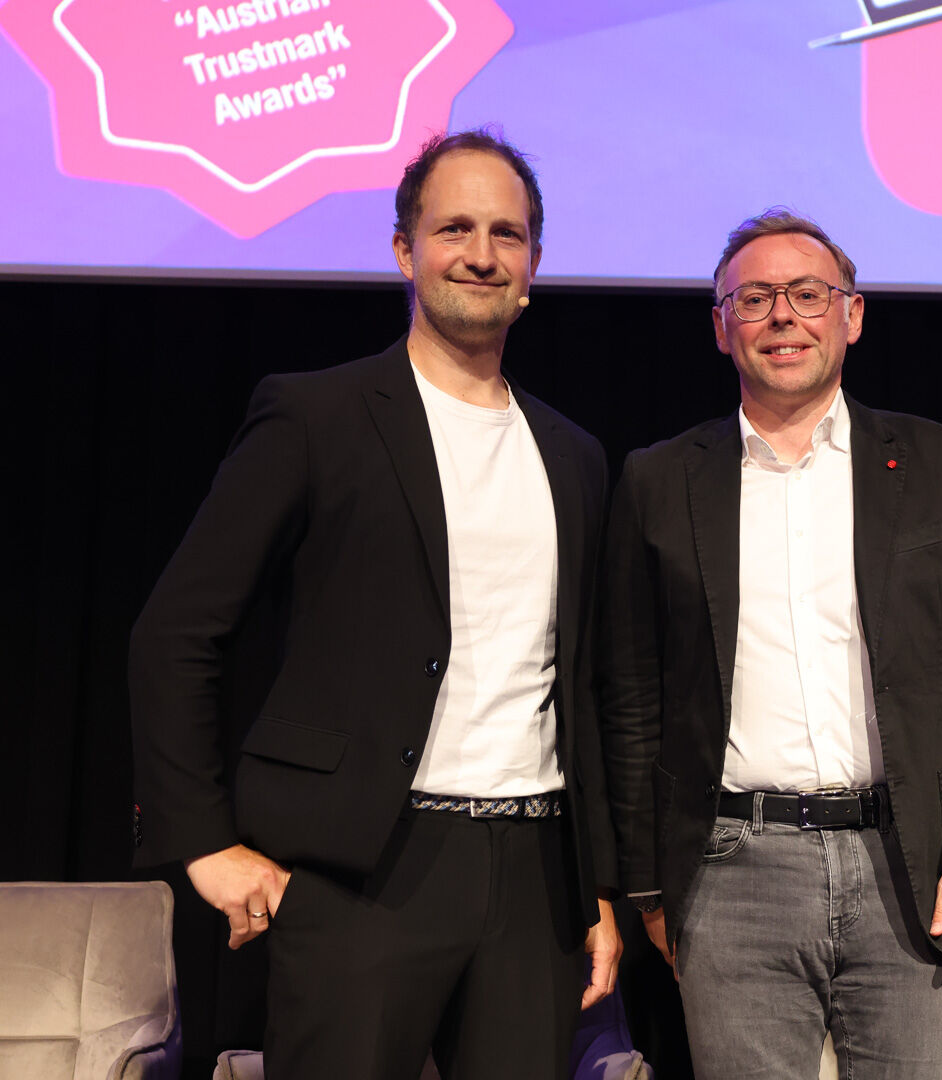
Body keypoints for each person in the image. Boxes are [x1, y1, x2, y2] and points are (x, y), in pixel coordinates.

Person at [129, 128, 620, 1080]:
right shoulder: (316, 416)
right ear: (404, 250)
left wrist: (594, 883)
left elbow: (586, 684)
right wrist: (203, 842)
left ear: (533, 266)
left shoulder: (576, 456)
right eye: (454, 228)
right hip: (360, 870)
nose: (481, 254)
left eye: (507, 235)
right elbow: (175, 634)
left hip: (534, 878)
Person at [598, 208, 942, 1078]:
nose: (782, 317)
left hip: (906, 868)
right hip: (731, 872)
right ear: (721, 327)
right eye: (754, 299)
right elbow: (632, 695)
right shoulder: (659, 479)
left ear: (852, 315)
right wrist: (649, 886)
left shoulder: (935, 464)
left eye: (806, 294)